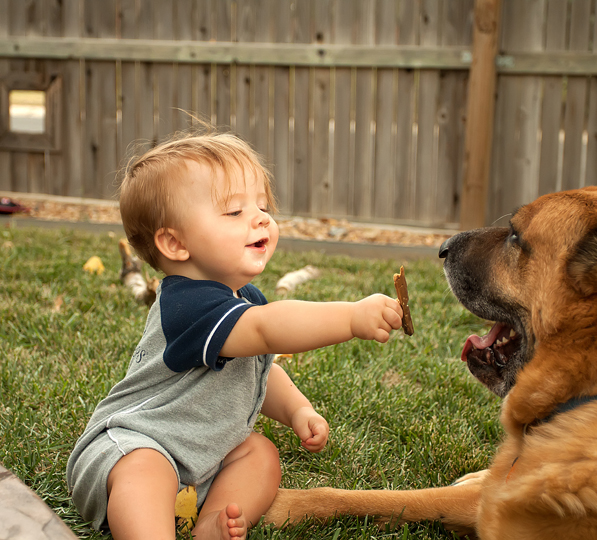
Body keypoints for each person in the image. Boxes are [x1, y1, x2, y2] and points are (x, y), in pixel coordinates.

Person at [66, 132, 404, 540]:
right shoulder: (185, 304)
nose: (261, 218)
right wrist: (350, 317)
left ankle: (211, 524)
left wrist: (298, 410)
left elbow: (259, 370)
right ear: (175, 243)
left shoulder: (244, 300)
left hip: (197, 465)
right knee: (145, 469)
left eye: (263, 206)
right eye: (234, 212)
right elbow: (267, 330)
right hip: (125, 449)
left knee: (260, 453)